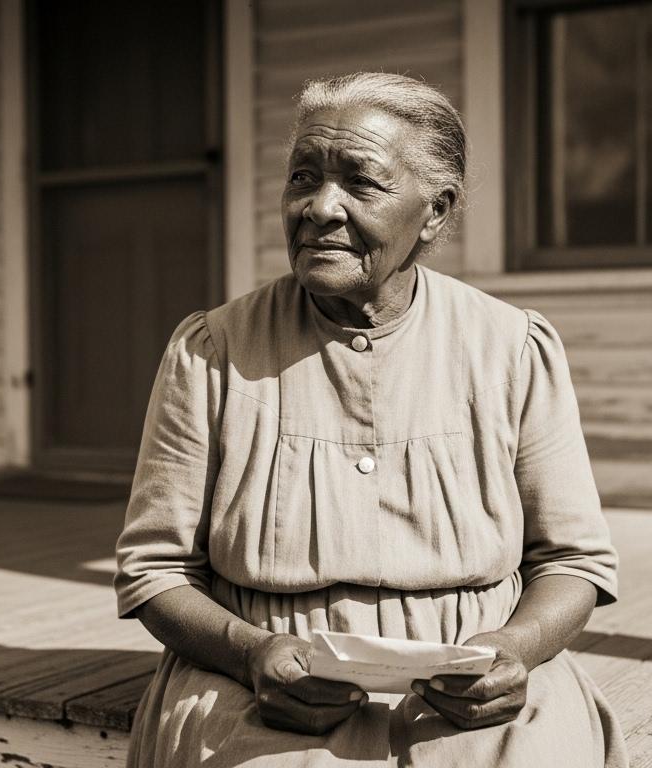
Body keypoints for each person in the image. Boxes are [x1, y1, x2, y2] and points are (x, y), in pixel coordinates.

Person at [114, 72, 626, 767]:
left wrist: (516, 648)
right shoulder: (212, 350)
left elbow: (572, 562)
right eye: (304, 178)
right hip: (255, 684)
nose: (320, 207)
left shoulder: (511, 347)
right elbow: (155, 571)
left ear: (435, 211)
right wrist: (251, 653)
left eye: (360, 183)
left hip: (473, 688)